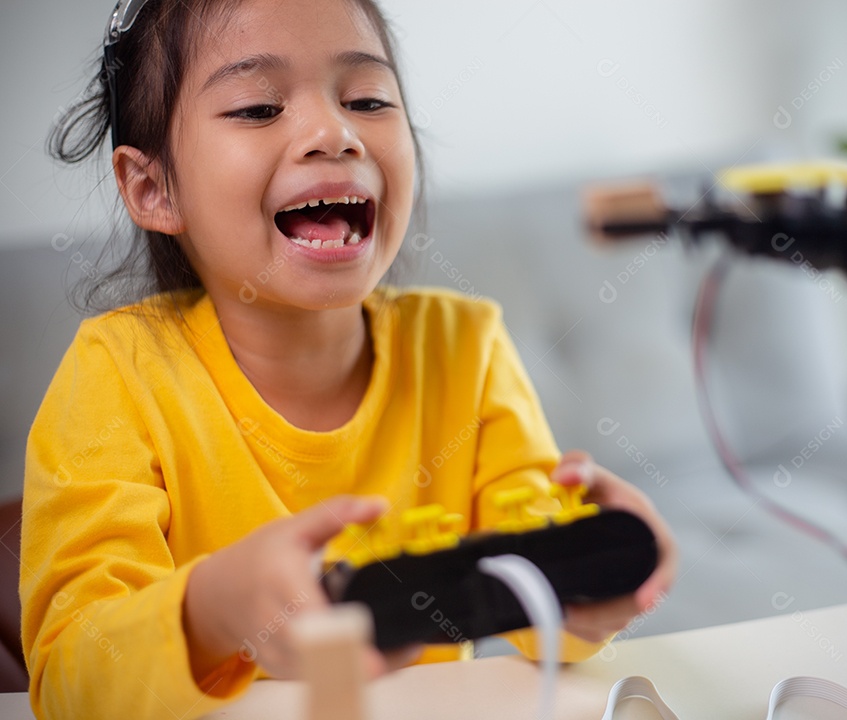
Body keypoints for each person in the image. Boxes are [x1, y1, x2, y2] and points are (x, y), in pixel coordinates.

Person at [20, 0, 677, 717]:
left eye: (367, 100)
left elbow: (534, 610)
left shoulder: (466, 346)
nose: (334, 133)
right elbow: (68, 678)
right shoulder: (118, 372)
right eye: (258, 108)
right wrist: (215, 610)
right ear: (154, 188)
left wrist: (589, 580)